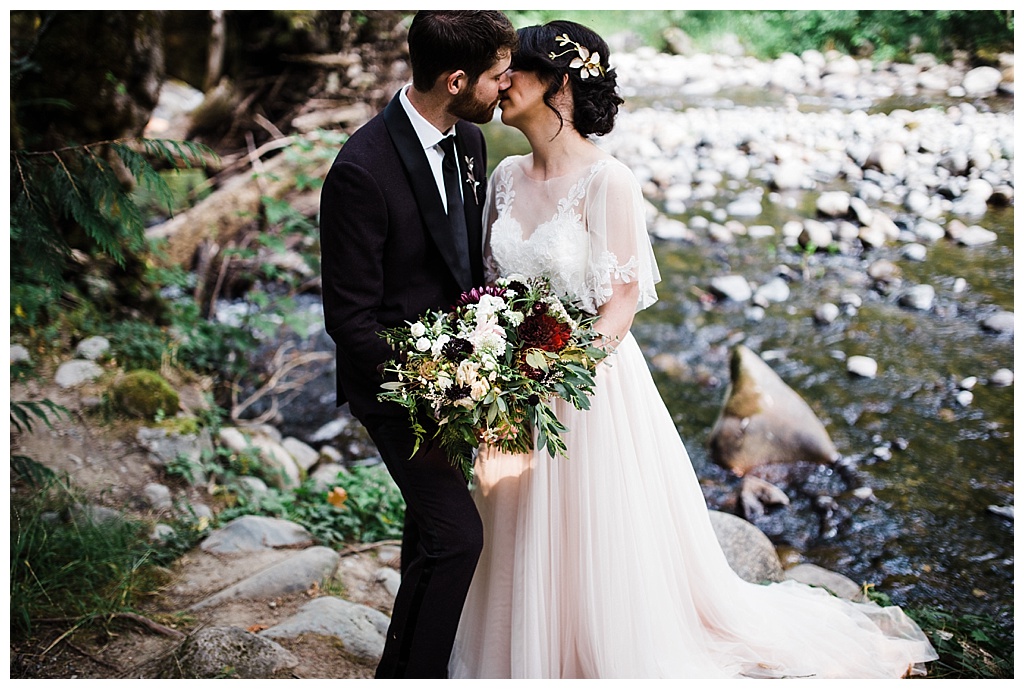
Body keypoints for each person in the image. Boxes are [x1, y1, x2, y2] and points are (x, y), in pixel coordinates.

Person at [448, 20, 939, 679]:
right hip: (513, 381)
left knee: (590, 538)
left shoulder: (608, 181)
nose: (500, 82)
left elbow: (619, 304)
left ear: (557, 84)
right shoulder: (504, 176)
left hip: (583, 384)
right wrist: (493, 365)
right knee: (513, 526)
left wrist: (555, 370)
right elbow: (491, 287)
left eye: (516, 71)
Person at [319, 10, 517, 679]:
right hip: (393, 387)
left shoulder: (469, 144)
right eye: (496, 76)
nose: (506, 86)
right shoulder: (361, 170)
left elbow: (461, 271)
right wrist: (433, 383)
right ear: (457, 79)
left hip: (462, 380)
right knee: (460, 538)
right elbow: (349, 320)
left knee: (431, 535)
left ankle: (400, 666)